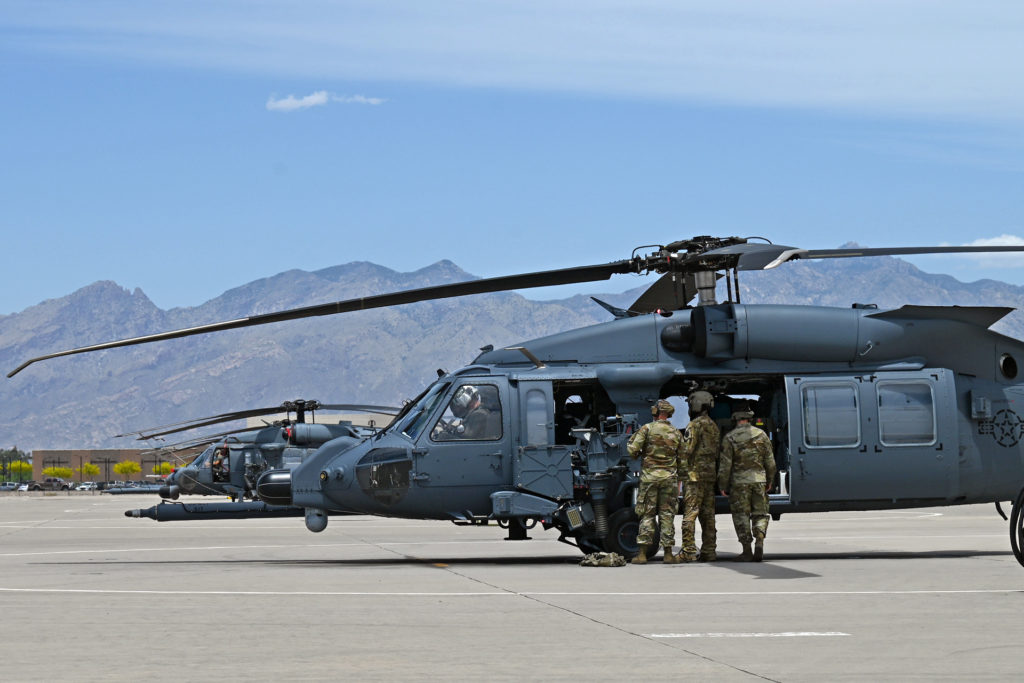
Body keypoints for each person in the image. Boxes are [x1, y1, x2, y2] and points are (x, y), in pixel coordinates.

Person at [626, 399, 685, 564]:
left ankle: (642, 554)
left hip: (649, 478)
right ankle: (668, 554)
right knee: (667, 515)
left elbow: (632, 450)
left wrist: (639, 453)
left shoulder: (647, 429)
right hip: (669, 479)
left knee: (647, 514)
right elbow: (683, 459)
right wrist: (680, 481)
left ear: (656, 412)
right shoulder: (676, 432)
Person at [717, 407, 776, 562]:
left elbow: (725, 465)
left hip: (739, 483)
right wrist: (770, 480)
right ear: (749, 419)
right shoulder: (761, 435)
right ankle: (760, 541)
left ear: (736, 419)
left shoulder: (730, 437)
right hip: (759, 480)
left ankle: (747, 550)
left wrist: (723, 485)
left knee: (741, 515)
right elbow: (770, 462)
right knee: (760, 513)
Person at [679, 390, 721, 562]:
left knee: (690, 514)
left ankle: (688, 551)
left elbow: (687, 450)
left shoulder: (694, 425)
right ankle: (709, 551)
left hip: (694, 476)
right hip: (709, 476)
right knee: (708, 515)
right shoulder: (714, 425)